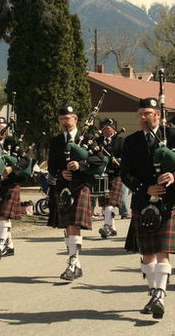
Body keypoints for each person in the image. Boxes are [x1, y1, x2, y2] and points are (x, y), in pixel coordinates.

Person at [121, 98, 175, 319]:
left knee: (162, 251)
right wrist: (146, 189)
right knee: (147, 254)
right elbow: (125, 173)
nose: (143, 118)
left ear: (157, 114)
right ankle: (152, 292)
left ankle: (160, 296)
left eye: (147, 113)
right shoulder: (131, 141)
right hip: (142, 201)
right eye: (140, 114)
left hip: (168, 201)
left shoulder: (173, 136)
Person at [47, 105, 103, 281]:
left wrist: (81, 165)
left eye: (68, 118)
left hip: (81, 185)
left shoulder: (87, 138)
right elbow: (51, 166)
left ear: (76, 119)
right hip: (63, 187)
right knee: (68, 226)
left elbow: (99, 160)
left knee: (73, 224)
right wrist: (60, 173)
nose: (65, 122)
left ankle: (72, 262)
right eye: (62, 119)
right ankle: (76, 263)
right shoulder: (56, 141)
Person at [0, 116, 29, 259]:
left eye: (0, 129)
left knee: (4, 215)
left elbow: (25, 161)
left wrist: (12, 168)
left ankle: (0, 244)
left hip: (11, 182)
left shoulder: (15, 142)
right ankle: (9, 245)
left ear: (6, 130)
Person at [96, 118, 124, 239]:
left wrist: (118, 160)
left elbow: (126, 156)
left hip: (116, 174)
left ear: (114, 128)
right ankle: (112, 228)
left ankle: (106, 226)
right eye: (104, 128)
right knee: (104, 204)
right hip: (102, 174)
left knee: (110, 202)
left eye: (109, 127)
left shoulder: (120, 140)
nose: (106, 130)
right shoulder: (98, 141)